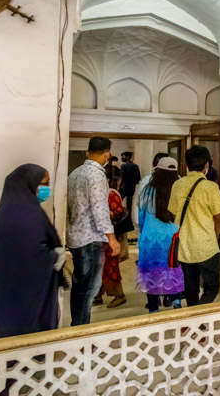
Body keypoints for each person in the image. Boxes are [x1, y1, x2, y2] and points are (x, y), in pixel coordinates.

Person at [0, 165, 65, 339]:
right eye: (45, 184)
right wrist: (54, 256)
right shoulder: (27, 215)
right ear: (29, 185)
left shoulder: (5, 212)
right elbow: (32, 258)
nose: (48, 189)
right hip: (22, 294)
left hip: (6, 289)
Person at [67, 136, 120, 326]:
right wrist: (112, 239)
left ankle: (77, 326)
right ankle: (81, 332)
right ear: (107, 153)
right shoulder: (96, 175)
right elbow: (100, 210)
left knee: (80, 286)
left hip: (76, 237)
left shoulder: (75, 173)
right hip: (90, 239)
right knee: (89, 288)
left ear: (88, 152)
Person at [169, 145, 220, 306]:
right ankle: (199, 317)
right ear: (206, 165)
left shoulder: (177, 185)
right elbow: (218, 218)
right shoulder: (210, 187)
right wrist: (214, 236)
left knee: (191, 288)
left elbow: (174, 213)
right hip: (206, 246)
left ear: (186, 164)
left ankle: (195, 323)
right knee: (213, 286)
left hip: (185, 246)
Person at [137, 156, 184, 312]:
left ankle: (153, 308)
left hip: (150, 239)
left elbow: (140, 216)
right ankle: (176, 303)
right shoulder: (181, 189)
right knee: (174, 270)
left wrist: (143, 232)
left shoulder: (147, 190)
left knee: (152, 273)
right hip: (174, 238)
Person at [93, 177, 127, 308]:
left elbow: (118, 213)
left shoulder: (111, 194)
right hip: (95, 237)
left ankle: (119, 295)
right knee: (96, 267)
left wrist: (104, 213)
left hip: (108, 237)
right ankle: (97, 295)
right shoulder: (93, 194)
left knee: (110, 267)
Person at [116, 151, 141, 247]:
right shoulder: (135, 166)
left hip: (123, 187)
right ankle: (128, 221)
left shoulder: (124, 166)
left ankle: (119, 219)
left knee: (118, 203)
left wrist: (119, 187)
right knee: (129, 205)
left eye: (122, 156)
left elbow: (121, 177)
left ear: (126, 157)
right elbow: (138, 178)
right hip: (132, 188)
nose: (122, 158)